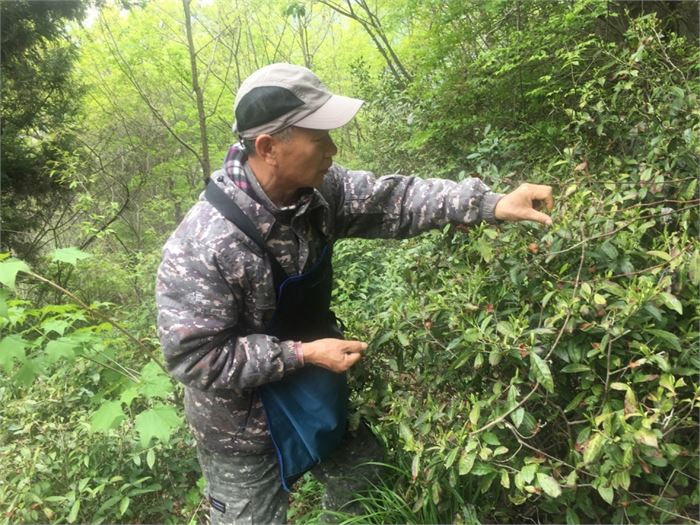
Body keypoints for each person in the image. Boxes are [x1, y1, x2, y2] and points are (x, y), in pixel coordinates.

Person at [155, 63, 554, 524]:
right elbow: (194, 359)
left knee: (364, 483)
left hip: (315, 387)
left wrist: (490, 203)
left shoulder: (321, 191)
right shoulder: (205, 244)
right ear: (269, 147)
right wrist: (301, 355)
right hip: (243, 432)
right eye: (318, 137)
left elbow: (395, 200)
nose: (332, 149)